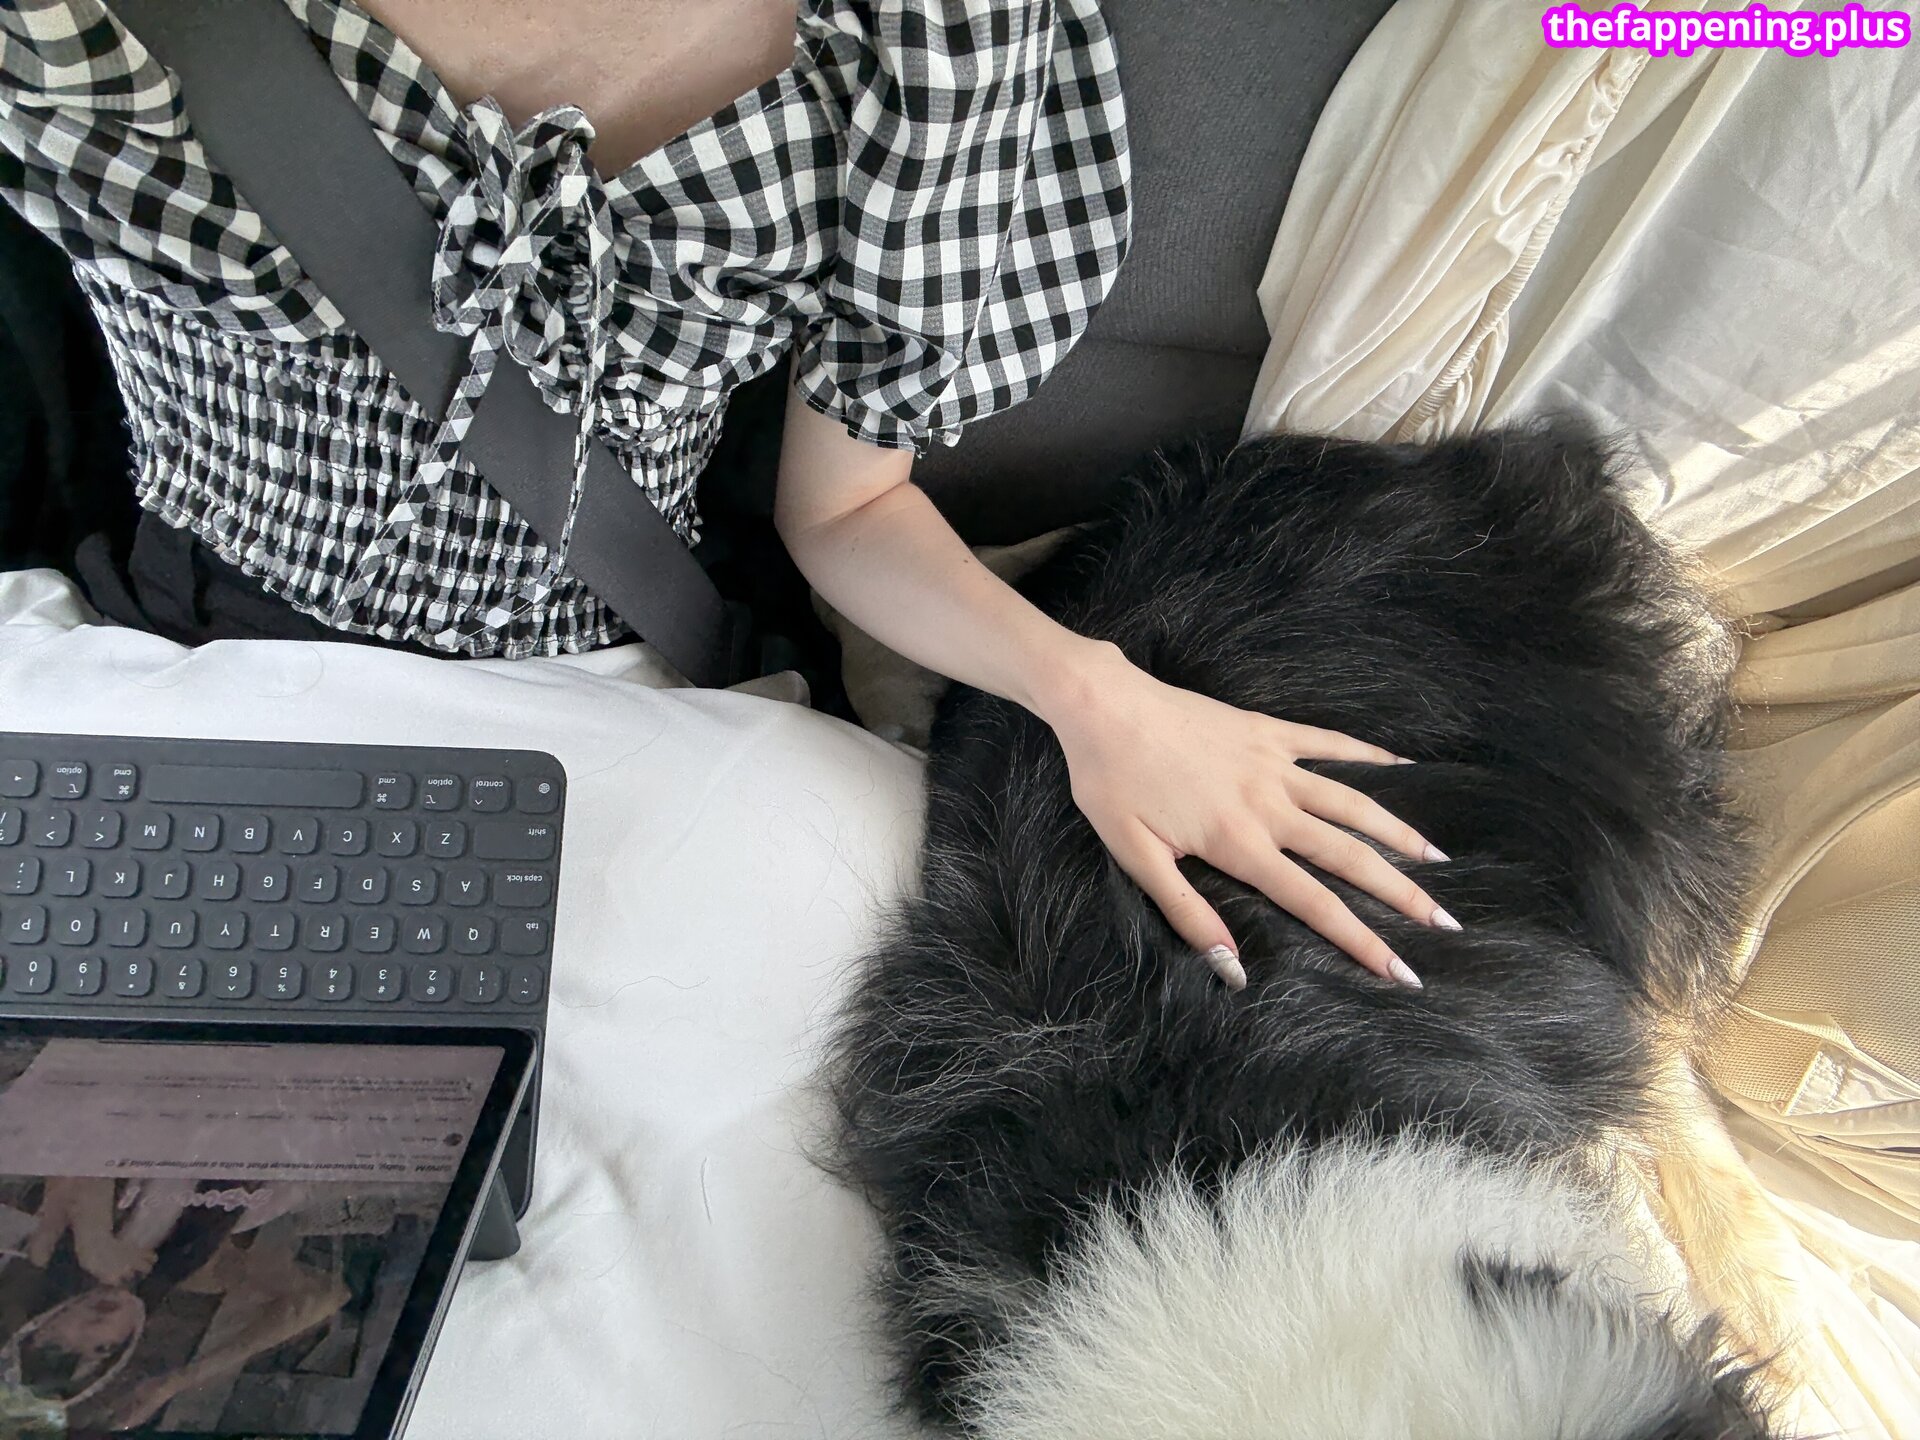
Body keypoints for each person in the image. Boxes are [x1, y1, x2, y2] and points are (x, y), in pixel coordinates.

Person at [0, 0, 1456, 987]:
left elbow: (849, 510)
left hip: (613, 714)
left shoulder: (931, 41)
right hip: (176, 674)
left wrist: (1096, 698)